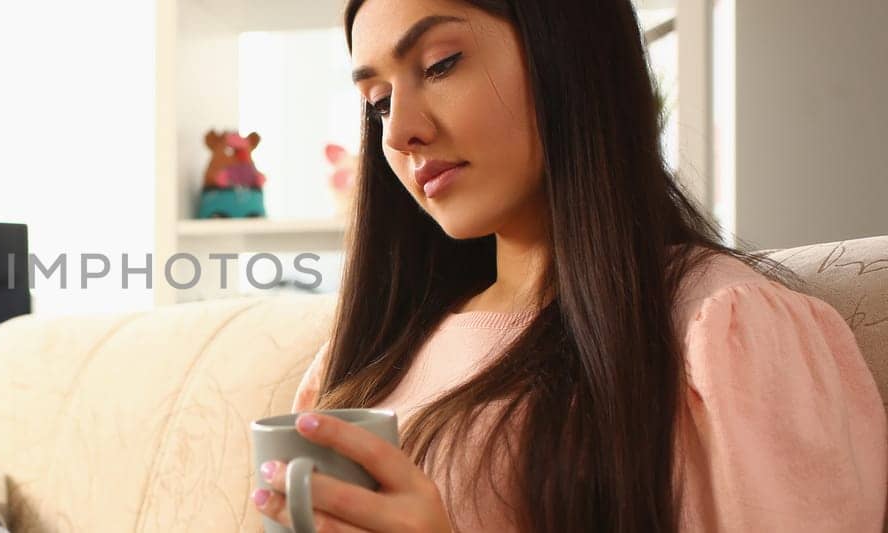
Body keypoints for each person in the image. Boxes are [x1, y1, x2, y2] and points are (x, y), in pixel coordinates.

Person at [248, 0, 888, 531]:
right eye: (379, 101)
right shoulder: (358, 363)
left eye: (440, 65)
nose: (398, 131)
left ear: (569, 55)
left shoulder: (721, 332)